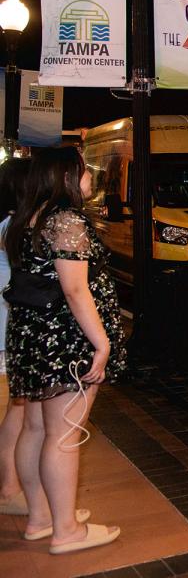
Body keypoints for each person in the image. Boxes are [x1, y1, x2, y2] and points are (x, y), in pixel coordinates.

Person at [5, 147, 125, 553]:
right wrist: (102, 343)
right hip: (65, 339)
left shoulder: (29, 217)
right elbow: (75, 290)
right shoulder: (66, 220)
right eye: (84, 170)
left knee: (36, 428)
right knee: (64, 435)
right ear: (67, 177)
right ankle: (66, 530)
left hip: (33, 335)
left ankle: (41, 517)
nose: (90, 177)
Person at [0, 157, 32, 516]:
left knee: (18, 406)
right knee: (18, 407)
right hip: (7, 320)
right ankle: (9, 487)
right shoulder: (15, 226)